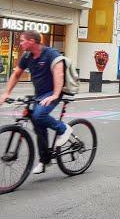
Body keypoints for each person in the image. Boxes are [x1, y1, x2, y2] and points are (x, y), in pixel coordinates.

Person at [0, 30, 73, 174]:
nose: (20, 44)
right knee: (38, 126)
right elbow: (16, 74)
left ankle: (63, 129)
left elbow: (59, 73)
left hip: (53, 92)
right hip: (39, 94)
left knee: (39, 115)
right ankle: (44, 160)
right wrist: (6, 93)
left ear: (31, 41)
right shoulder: (27, 56)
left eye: (22, 41)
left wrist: (55, 94)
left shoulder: (50, 54)